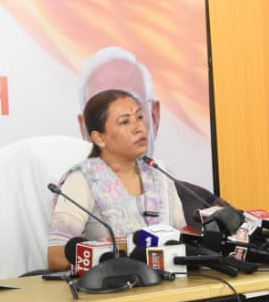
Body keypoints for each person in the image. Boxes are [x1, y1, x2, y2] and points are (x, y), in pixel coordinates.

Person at [77, 47, 225, 218]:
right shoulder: (72, 199)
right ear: (85, 129)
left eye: (133, 113)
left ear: (154, 116)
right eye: (103, 115)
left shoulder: (198, 205)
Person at [47, 90, 186, 271]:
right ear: (99, 137)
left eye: (140, 117)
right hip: (112, 283)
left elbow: (183, 237)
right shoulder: (83, 179)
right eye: (125, 122)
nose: (139, 128)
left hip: (169, 282)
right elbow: (56, 257)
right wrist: (109, 251)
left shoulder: (159, 172)